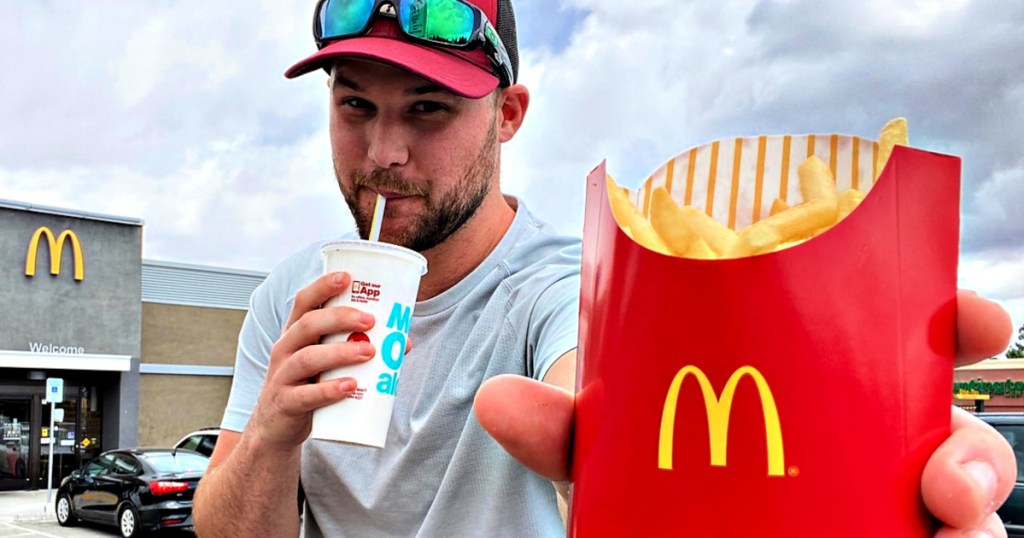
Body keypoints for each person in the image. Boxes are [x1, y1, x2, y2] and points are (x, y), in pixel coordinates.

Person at [192, 1, 1018, 536]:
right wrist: (273, 431)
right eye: (356, 105)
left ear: (509, 116)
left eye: (429, 109)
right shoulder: (290, 297)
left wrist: (831, 423)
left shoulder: (575, 285)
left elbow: (599, 386)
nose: (385, 153)